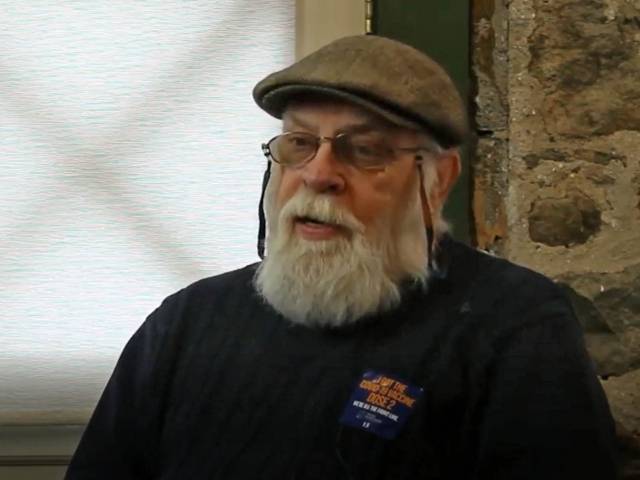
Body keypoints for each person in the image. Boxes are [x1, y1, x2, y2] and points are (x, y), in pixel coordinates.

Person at [65, 35, 618, 479]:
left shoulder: (513, 325)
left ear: (436, 180)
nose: (320, 174)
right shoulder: (185, 323)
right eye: (299, 144)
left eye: (366, 150)